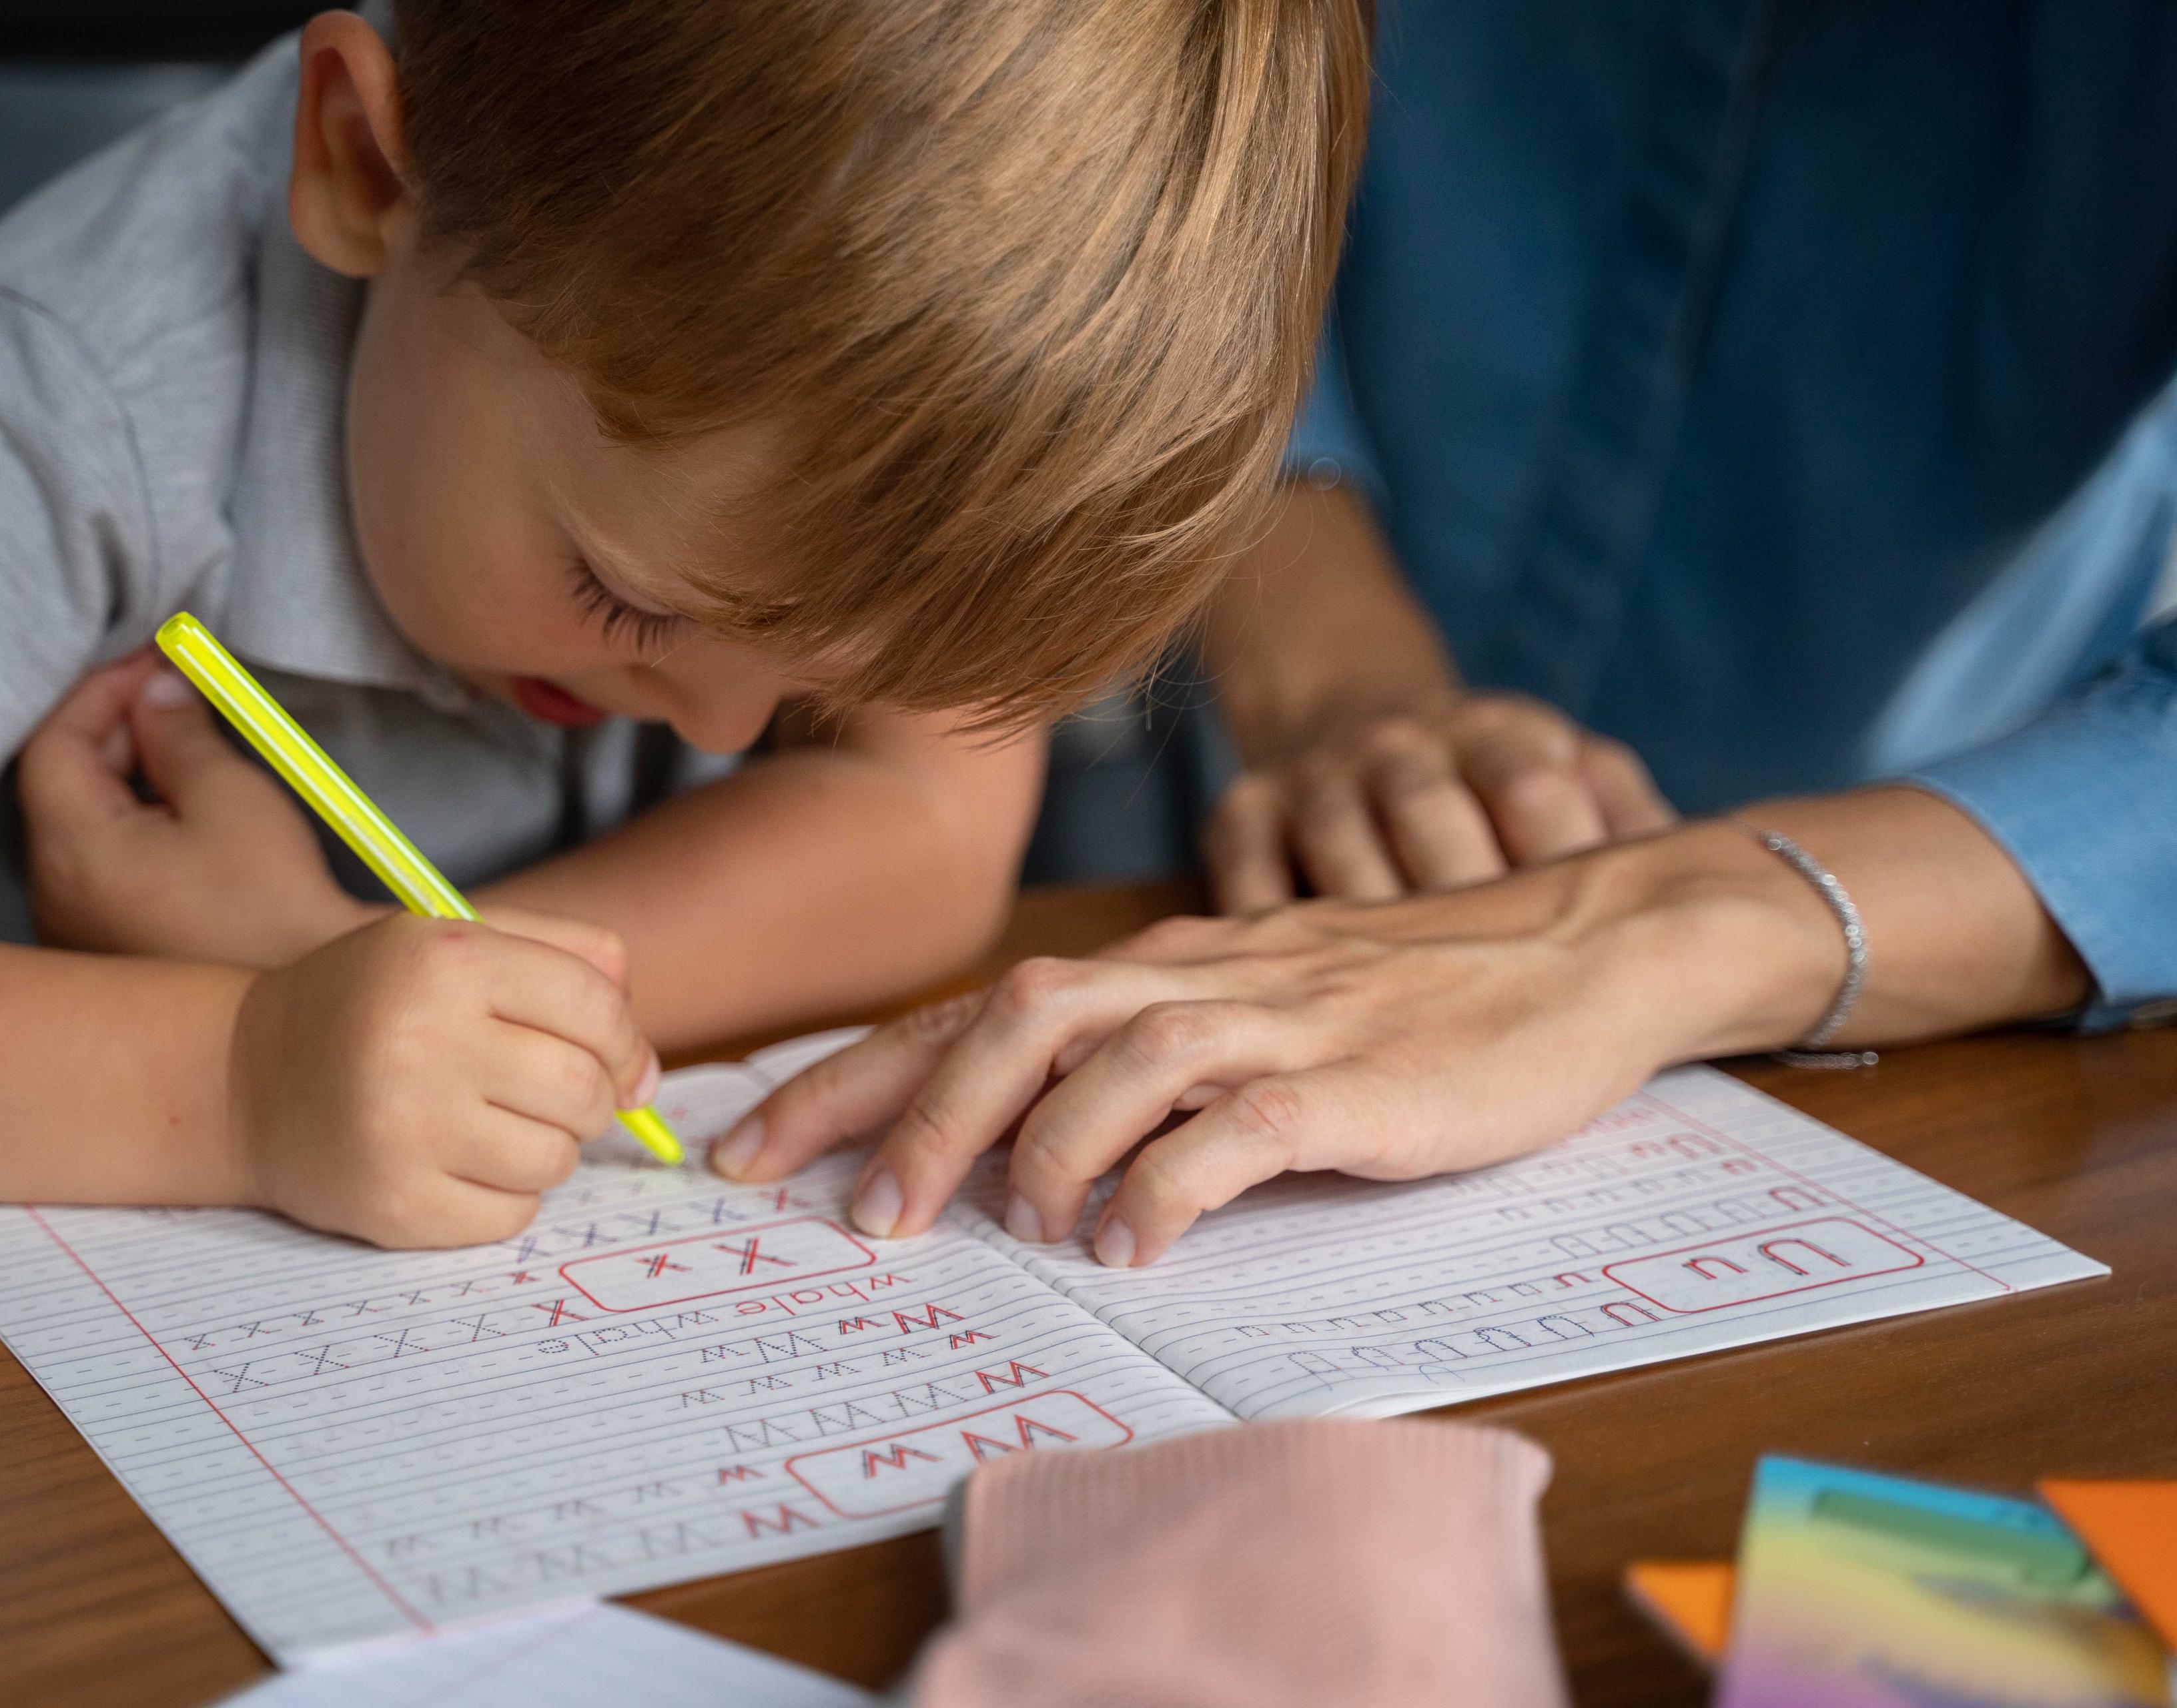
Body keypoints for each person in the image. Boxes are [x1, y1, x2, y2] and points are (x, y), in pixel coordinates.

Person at [0, 1, 1370, 1247]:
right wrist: (233, 1074)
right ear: (368, 168)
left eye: (830, 682)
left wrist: (342, 968)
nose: (722, 739)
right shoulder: (69, 392)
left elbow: (922, 825)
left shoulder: (784, 430)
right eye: (629, 602)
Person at [711, 0, 2177, 1267]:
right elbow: (1056, 160)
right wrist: (1332, 660)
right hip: (1201, 807)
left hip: (1953, 977)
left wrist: (1643, 933)